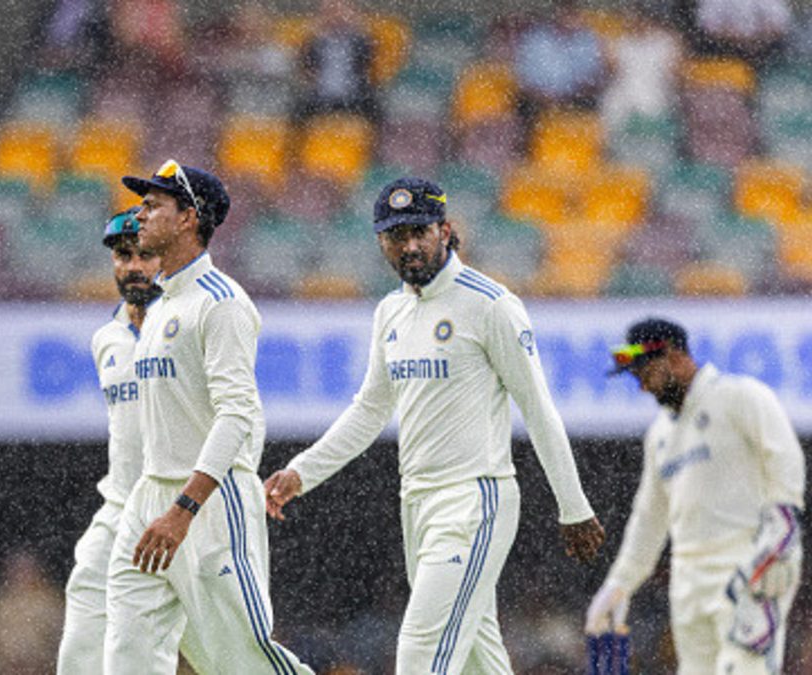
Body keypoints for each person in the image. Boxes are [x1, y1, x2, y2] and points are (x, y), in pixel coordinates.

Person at [264, 176, 605, 674]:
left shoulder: (490, 304)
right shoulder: (391, 311)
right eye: (394, 236)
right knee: (476, 656)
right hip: (417, 504)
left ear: (445, 230)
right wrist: (301, 472)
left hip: (474, 500)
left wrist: (573, 506)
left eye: (418, 232)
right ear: (381, 241)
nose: (408, 245)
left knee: (421, 653)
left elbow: (537, 407)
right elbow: (369, 410)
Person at [103, 159, 312, 674]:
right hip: (150, 498)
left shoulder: (222, 304)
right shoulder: (159, 307)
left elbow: (238, 414)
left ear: (188, 219)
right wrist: (158, 504)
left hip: (211, 503)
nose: (140, 216)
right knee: (127, 654)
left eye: (153, 206)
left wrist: (183, 510)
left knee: (239, 661)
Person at [585, 318, 805, 674]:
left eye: (645, 375)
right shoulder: (659, 433)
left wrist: (778, 542)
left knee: (744, 668)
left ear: (672, 356)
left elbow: (785, 462)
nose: (643, 389)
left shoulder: (739, 397)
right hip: (688, 578)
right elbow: (649, 518)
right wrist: (619, 584)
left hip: (747, 564)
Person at [57, 206, 169, 672]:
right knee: (84, 633)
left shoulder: (191, 322)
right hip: (123, 506)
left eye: (146, 255)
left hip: (185, 507)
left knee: (229, 649)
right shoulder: (106, 338)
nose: (134, 266)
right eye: (124, 255)